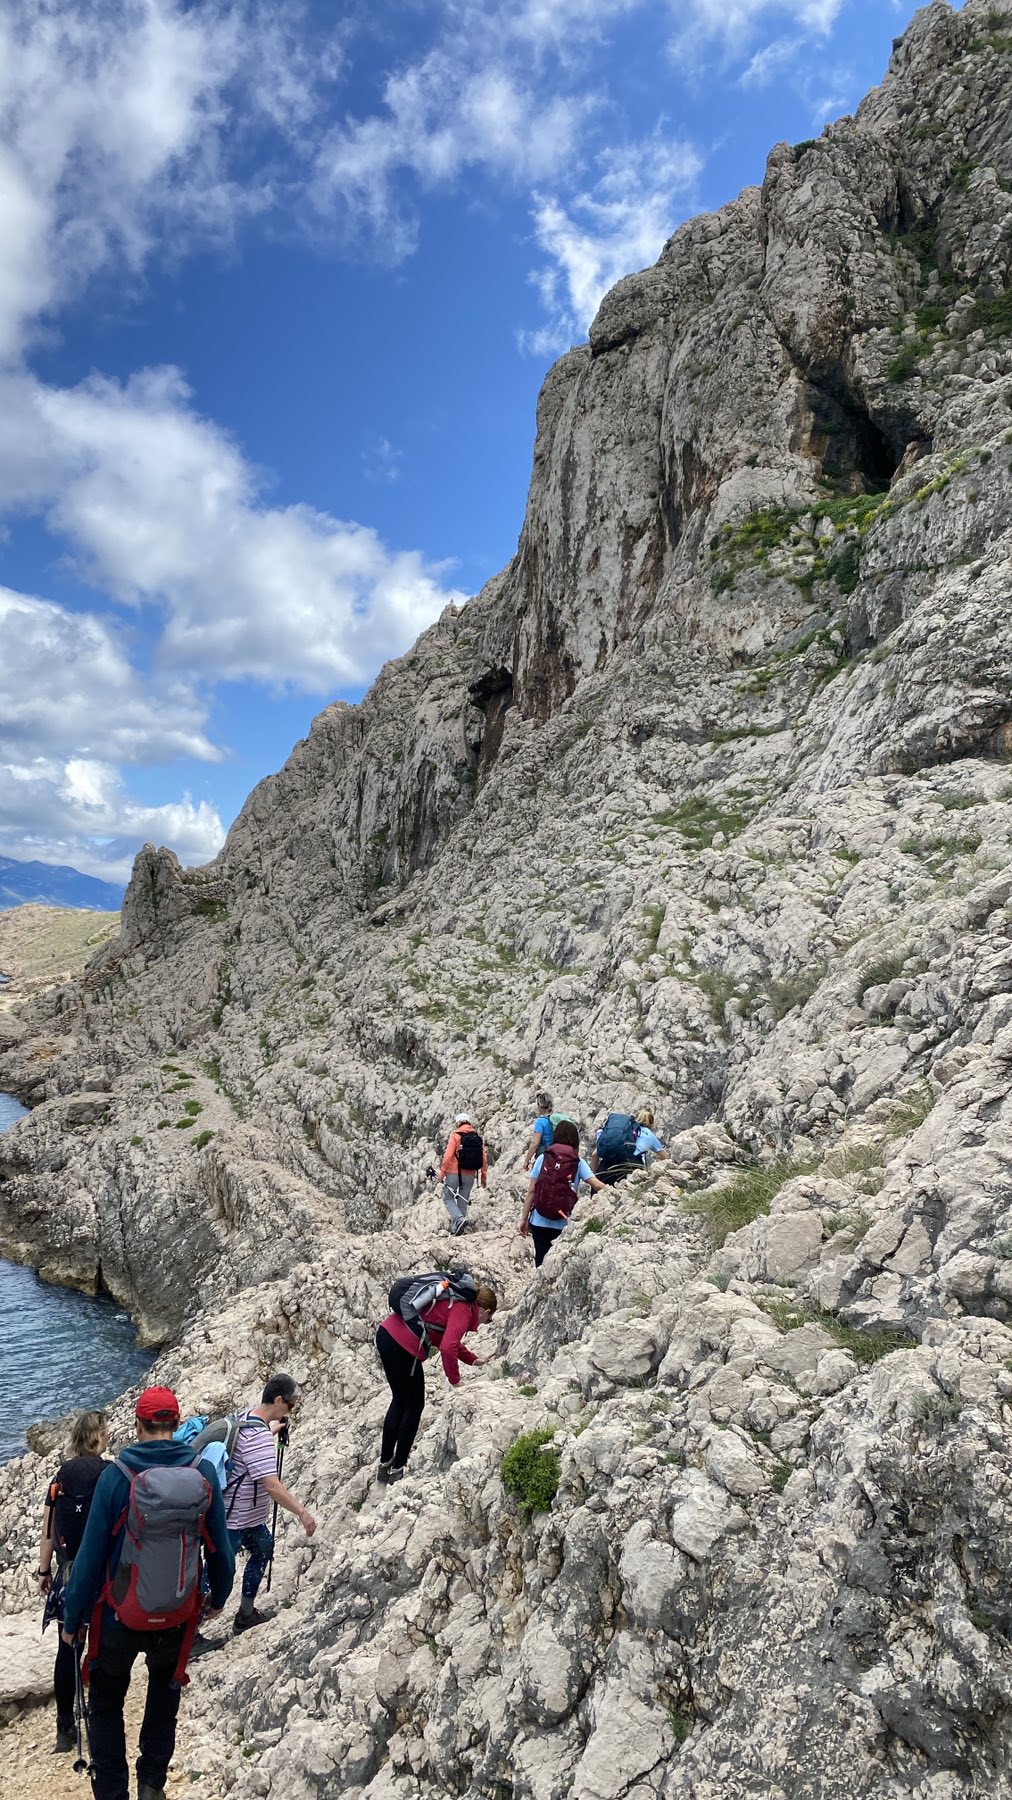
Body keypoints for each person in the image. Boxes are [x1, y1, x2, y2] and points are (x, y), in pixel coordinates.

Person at [61, 1386, 235, 1800]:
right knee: (163, 1695)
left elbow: (89, 1559)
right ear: (176, 1425)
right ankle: (151, 1785)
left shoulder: (116, 1476)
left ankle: (112, 1791)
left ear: (138, 1426)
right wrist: (218, 1598)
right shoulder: (202, 1472)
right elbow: (221, 1550)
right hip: (176, 1612)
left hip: (118, 1616)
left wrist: (73, 1619)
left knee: (106, 1702)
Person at [38, 1409, 110, 1753]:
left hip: (68, 1573)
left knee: (66, 1647)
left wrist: (44, 1571)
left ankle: (64, 1728)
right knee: (102, 1645)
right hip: (102, 1573)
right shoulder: (108, 1473)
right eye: (105, 1432)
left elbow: (48, 1530)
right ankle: (99, 1718)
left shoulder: (60, 1477)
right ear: (97, 1437)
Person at [375, 1282, 498, 1482]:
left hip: (386, 1334)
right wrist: (456, 1382)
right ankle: (397, 1469)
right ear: (485, 1311)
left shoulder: (453, 1302)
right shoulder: (463, 1310)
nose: (485, 1322)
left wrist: (473, 1359)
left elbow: (446, 1339)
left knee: (399, 1399)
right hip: (403, 1345)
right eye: (488, 1319)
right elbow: (448, 1347)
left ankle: (385, 1465)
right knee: (414, 1406)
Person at [223, 1373, 316, 1635]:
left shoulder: (246, 1416)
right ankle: (190, 1631)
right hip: (236, 1519)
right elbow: (272, 1485)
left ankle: (245, 1614)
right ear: (278, 1401)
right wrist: (302, 1513)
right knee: (218, 1573)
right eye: (290, 1404)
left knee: (263, 1549)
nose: (291, 1409)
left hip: (241, 1515)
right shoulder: (259, 1438)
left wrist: (272, 1429)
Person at [519, 1119, 610, 1266]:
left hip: (539, 1220)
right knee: (558, 1265)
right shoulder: (578, 1161)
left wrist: (524, 1219)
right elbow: (596, 1184)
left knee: (541, 1262)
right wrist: (618, 1192)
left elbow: (531, 1191)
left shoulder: (543, 1158)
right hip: (563, 1223)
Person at [439, 1112, 488, 1236]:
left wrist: (442, 1173)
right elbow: (483, 1158)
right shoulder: (476, 1137)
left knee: (448, 1197)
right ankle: (457, 1230)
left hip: (454, 1173)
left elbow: (448, 1156)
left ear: (458, 1123)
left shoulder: (455, 1136)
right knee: (463, 1200)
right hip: (470, 1175)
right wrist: (483, 1176)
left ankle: (459, 1220)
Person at [592, 1107, 668, 1185]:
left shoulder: (625, 1130)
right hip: (630, 1171)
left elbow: (594, 1155)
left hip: (605, 1169)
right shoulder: (649, 1135)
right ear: (651, 1124)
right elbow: (665, 1158)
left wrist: (594, 1176)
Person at [523, 1092, 555, 1171]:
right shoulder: (554, 1118)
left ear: (540, 1106)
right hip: (555, 1155)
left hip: (544, 1157)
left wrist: (527, 1160)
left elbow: (535, 1143)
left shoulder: (540, 1122)